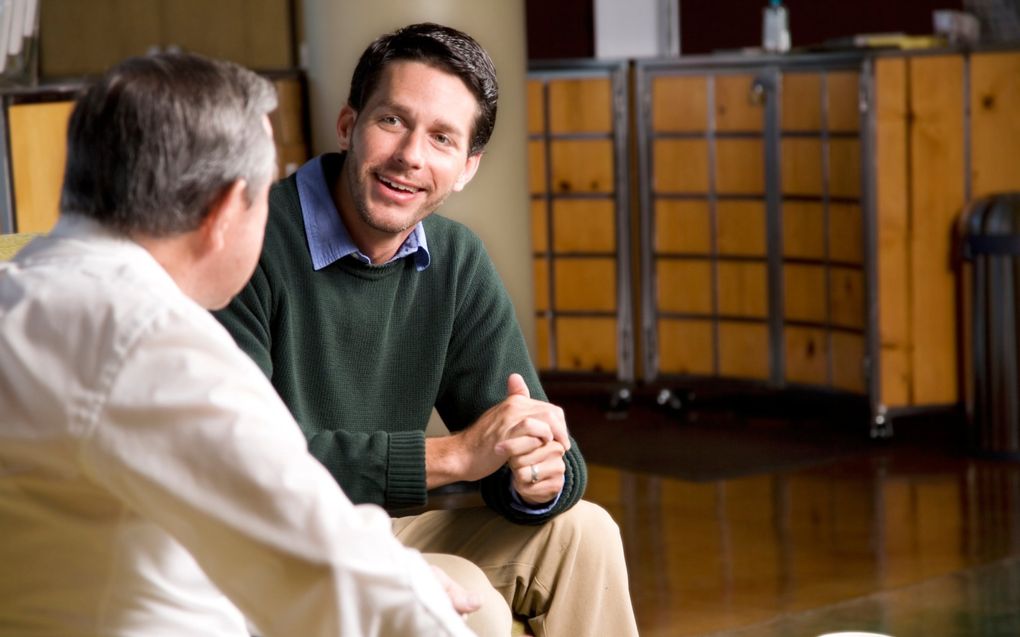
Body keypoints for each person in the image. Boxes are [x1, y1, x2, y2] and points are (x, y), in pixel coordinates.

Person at [0, 52, 478, 637]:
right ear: (226, 209)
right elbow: (327, 563)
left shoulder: (20, 293)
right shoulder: (152, 342)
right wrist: (413, 585)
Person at [214, 23, 639, 637]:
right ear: (348, 125)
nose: (411, 156)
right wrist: (457, 455)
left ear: (467, 167)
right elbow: (242, 464)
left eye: (442, 138)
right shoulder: (247, 244)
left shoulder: (455, 259)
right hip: (269, 543)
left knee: (584, 532)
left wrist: (536, 474)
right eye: (392, 121)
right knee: (473, 603)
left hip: (380, 530)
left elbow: (532, 437)